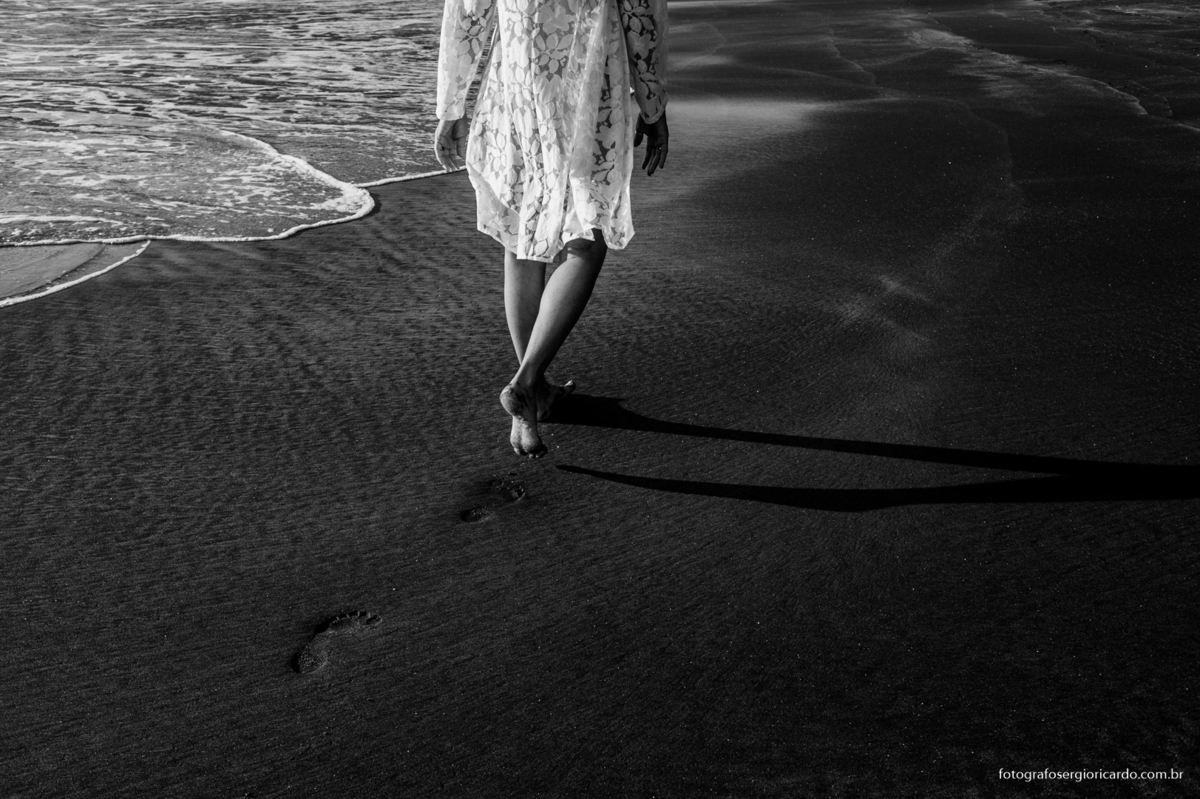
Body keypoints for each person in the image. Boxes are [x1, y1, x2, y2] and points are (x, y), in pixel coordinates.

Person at [434, 0, 670, 458]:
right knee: (589, 236)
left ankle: (536, 393)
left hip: (520, 77)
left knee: (525, 229)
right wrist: (652, 102)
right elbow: (639, 9)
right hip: (588, 71)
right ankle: (525, 382)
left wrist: (452, 103)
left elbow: (468, 11)